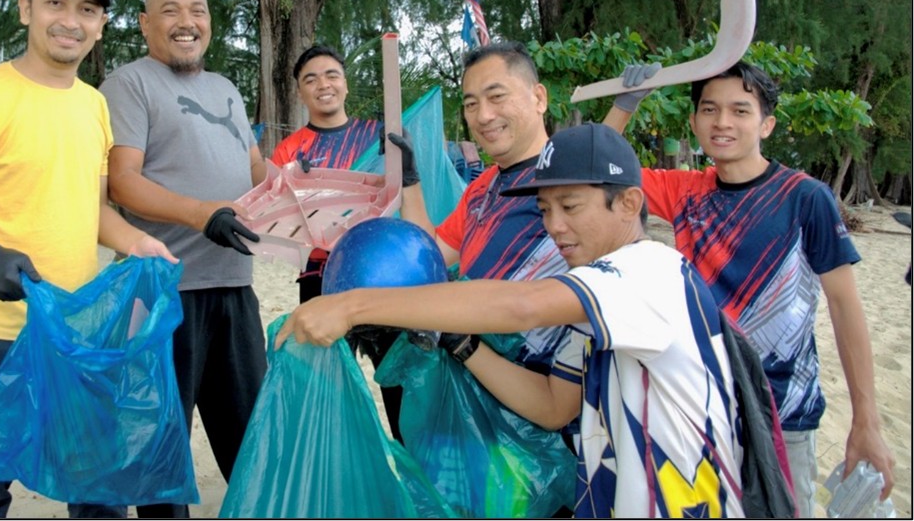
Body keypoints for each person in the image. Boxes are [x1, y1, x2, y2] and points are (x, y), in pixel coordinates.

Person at [278, 123, 746, 518]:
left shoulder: (651, 271)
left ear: (628, 204)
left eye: (571, 206)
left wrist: (351, 305)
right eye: (544, 210)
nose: (555, 226)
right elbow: (550, 405)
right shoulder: (594, 304)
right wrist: (464, 345)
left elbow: (522, 304)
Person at [0, 0, 175, 519]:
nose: (71, 20)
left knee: (98, 486)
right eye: (55, 3)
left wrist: (136, 241)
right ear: (25, 9)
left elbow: (96, 209)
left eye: (87, 9)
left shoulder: (94, 104)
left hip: (79, 328)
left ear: (101, 25)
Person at [605, 60, 896, 514]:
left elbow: (844, 307)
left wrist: (866, 419)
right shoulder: (685, 191)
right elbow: (598, 175)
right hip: (699, 404)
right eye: (709, 109)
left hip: (785, 413)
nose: (722, 122)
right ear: (694, 121)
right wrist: (626, 104)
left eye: (740, 110)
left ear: (767, 124)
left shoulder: (806, 198)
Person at [99, 0, 268, 519]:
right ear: (146, 24)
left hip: (235, 290)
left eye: (197, 10)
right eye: (170, 12)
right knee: (161, 450)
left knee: (253, 440)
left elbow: (255, 173)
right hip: (164, 292)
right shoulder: (129, 83)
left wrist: (305, 193)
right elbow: (122, 182)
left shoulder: (226, 89)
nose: (186, 23)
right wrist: (201, 215)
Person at [392, 41, 570, 375]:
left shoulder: (572, 182)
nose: (483, 115)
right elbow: (430, 255)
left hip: (548, 393)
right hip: (472, 378)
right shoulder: (482, 188)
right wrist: (409, 180)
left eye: (497, 96)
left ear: (539, 98)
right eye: (471, 104)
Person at [270, 44, 382, 300]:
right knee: (321, 341)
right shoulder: (288, 152)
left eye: (332, 75)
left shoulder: (378, 137)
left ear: (345, 84)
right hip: (318, 270)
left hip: (378, 258)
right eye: (311, 80)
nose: (323, 84)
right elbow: (280, 223)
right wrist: (300, 188)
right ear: (300, 93)